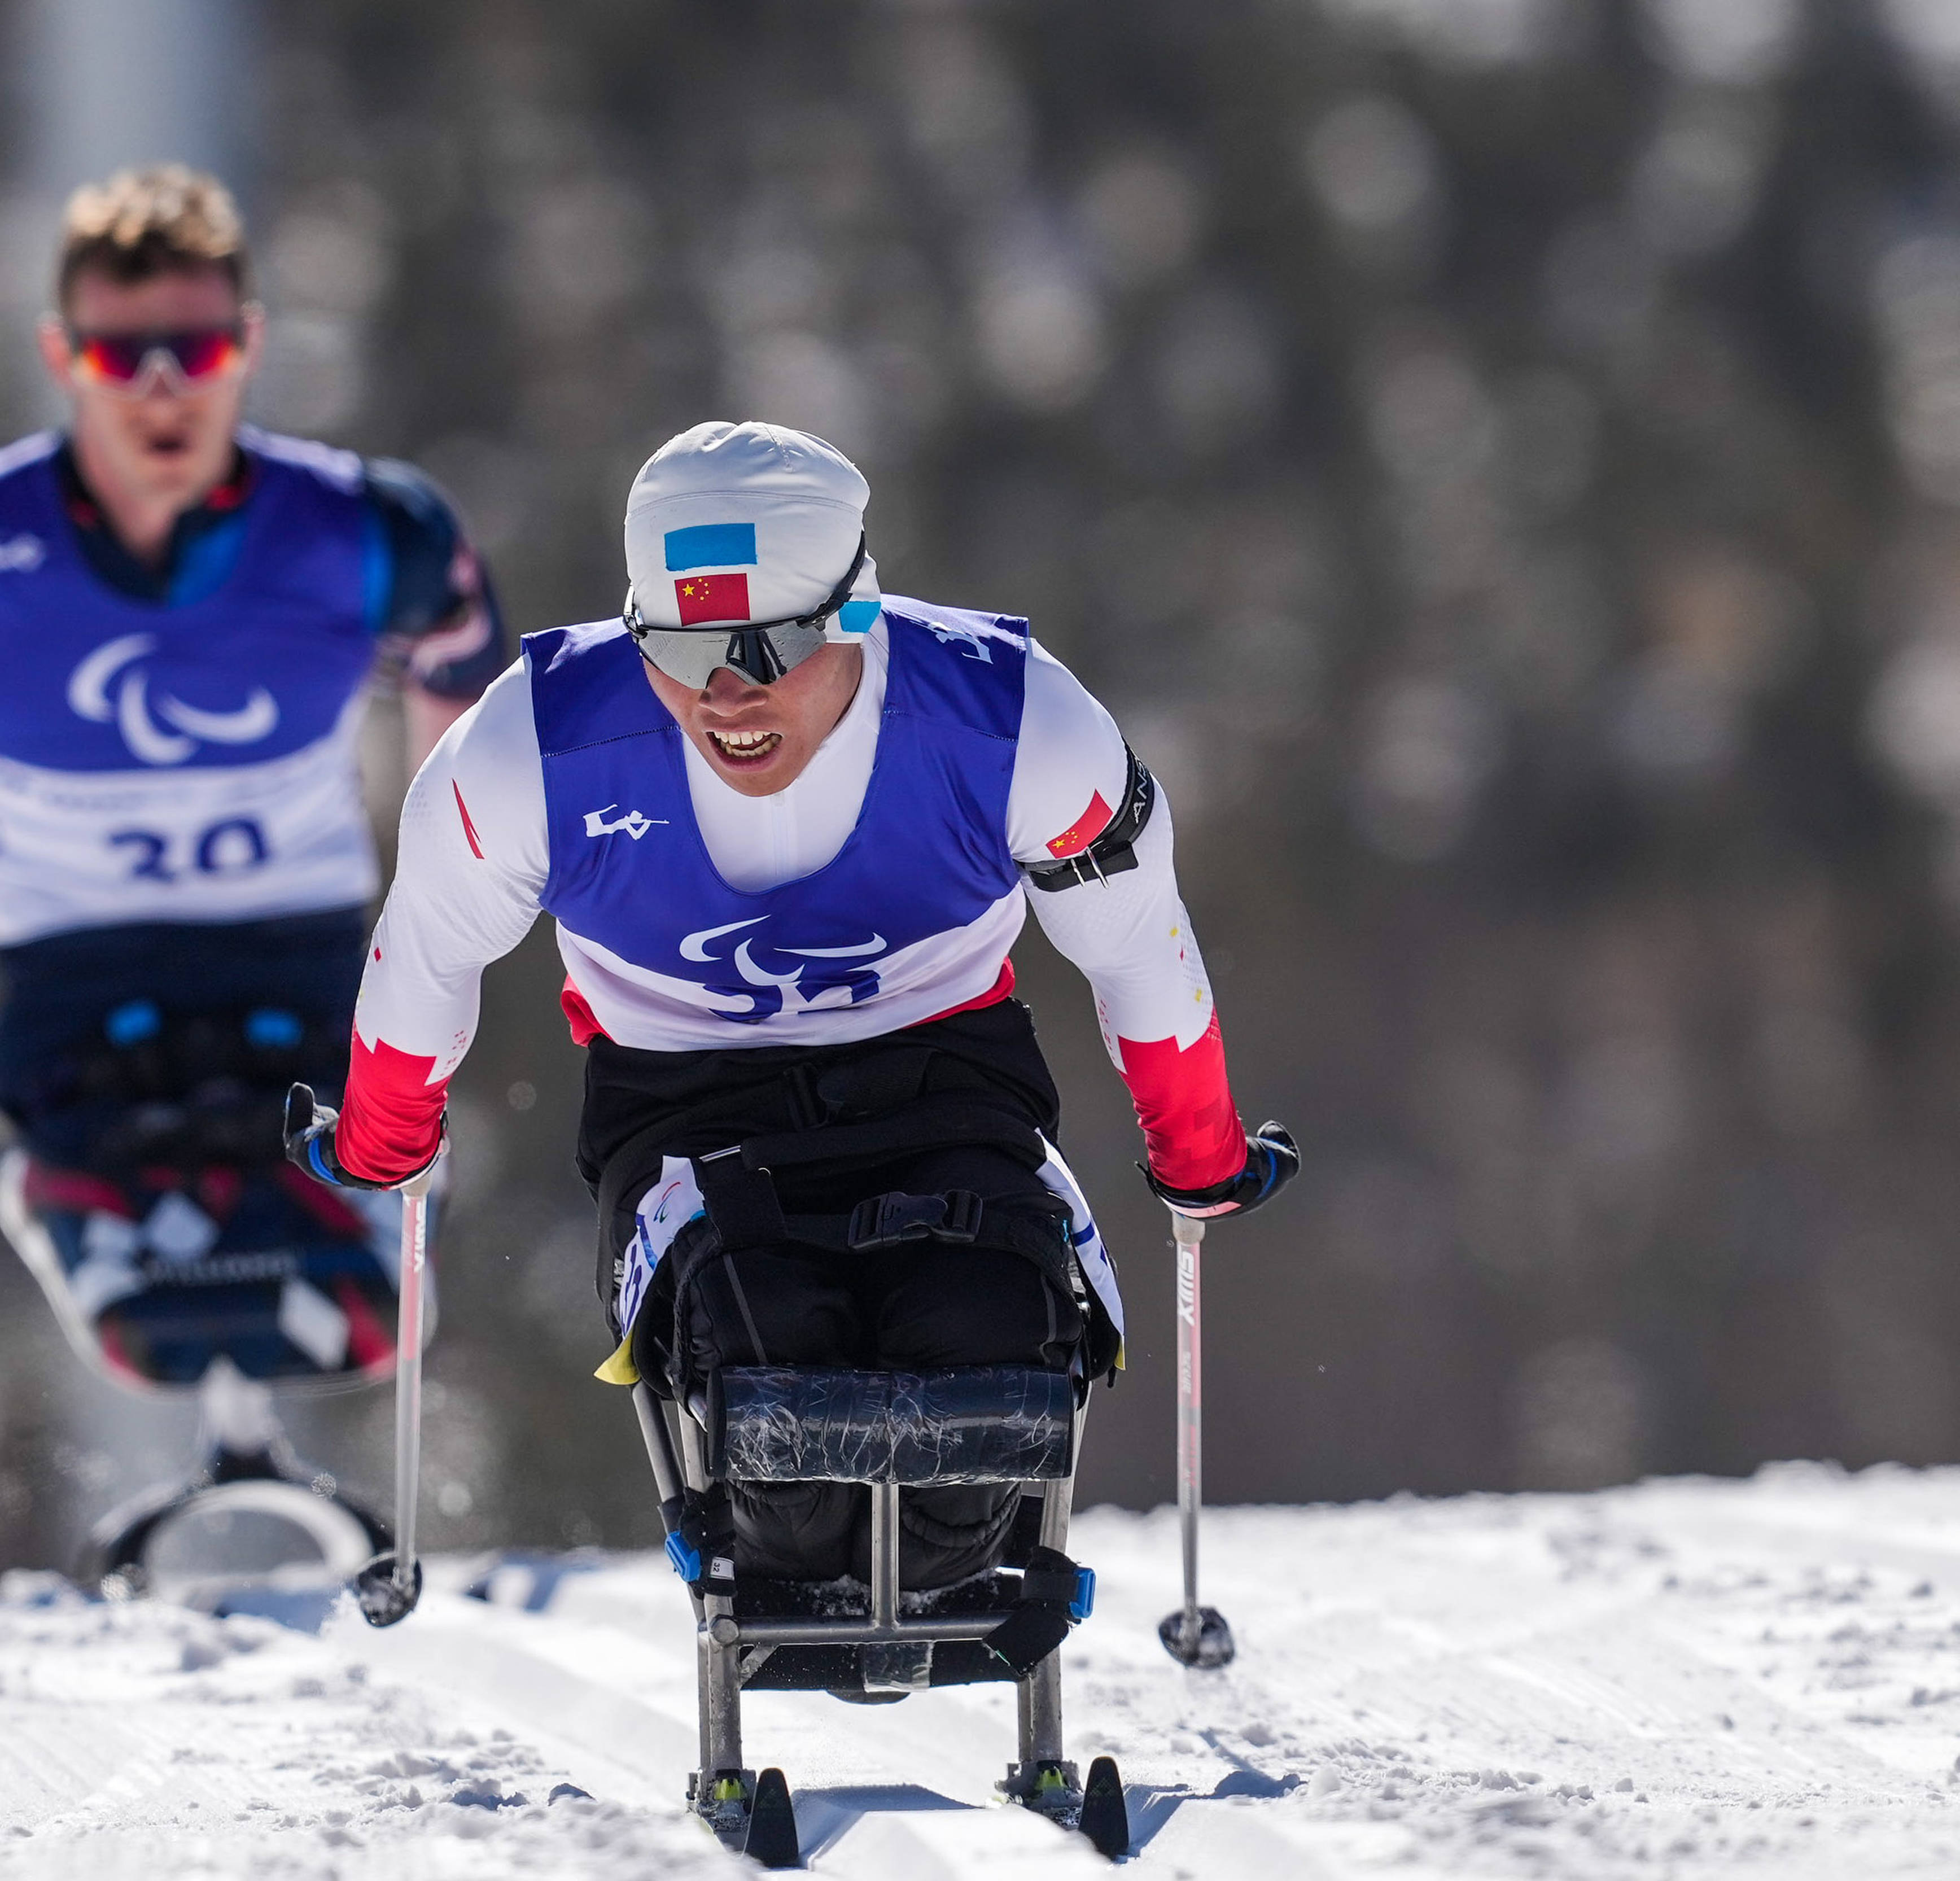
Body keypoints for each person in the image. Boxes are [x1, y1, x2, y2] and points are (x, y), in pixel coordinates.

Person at [287, 420, 1296, 1591]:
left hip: (942, 1078)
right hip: (683, 1109)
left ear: (856, 612)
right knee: (771, 1387)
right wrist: (381, 1139)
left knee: (985, 1349)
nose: (724, 695)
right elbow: (422, 957)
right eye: (676, 645)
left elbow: (1137, 948)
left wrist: (1199, 1154)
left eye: (767, 647)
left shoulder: (1014, 722)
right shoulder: (528, 750)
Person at [0, 164, 510, 1392]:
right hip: (79, 993)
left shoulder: (367, 533)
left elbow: (478, 736)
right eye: (116, 354)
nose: (156, 390)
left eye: (191, 352)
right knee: (158, 1333)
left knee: (366, 1324)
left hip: (307, 974)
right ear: (59, 352)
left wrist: (446, 958)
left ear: (247, 347)